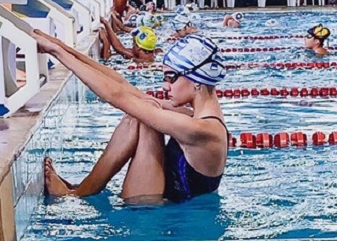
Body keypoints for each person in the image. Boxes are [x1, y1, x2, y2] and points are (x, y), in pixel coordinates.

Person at [36, 29, 228, 202]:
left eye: (171, 78)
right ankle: (81, 190)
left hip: (151, 213)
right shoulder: (194, 118)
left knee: (142, 114)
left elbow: (116, 96)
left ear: (196, 80)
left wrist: (56, 53)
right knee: (146, 107)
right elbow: (124, 86)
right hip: (158, 207)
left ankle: (76, 196)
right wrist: (61, 47)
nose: (165, 86)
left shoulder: (202, 130)